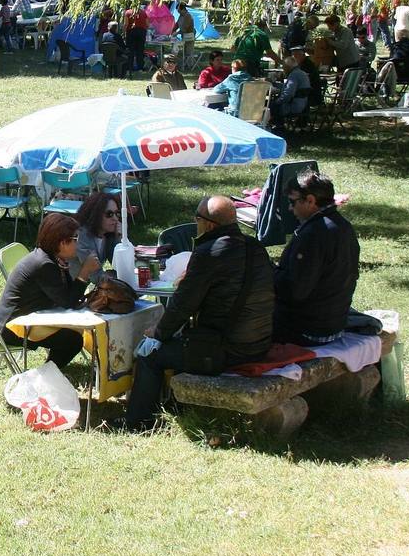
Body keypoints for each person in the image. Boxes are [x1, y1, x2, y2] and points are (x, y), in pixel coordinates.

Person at [124, 196, 274, 430]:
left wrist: (158, 332)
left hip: (227, 350)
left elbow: (182, 306)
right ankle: (176, 407)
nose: (196, 223)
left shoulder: (208, 252)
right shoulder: (256, 247)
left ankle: (138, 423)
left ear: (209, 225)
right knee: (184, 341)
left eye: (197, 218)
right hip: (259, 342)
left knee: (150, 354)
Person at [0, 213, 97, 368]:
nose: (78, 244)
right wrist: (84, 272)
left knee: (72, 331)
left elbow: (68, 295)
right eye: (75, 239)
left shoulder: (52, 258)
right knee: (72, 340)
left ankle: (50, 370)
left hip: (22, 319)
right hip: (12, 329)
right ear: (62, 243)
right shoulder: (44, 265)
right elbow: (68, 302)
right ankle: (46, 374)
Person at [275, 171, 360, 346]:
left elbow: (294, 291)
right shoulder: (343, 225)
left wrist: (270, 273)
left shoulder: (313, 235)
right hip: (334, 324)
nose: (290, 208)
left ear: (310, 200)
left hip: (309, 331)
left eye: (292, 202)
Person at [71, 192, 121, 282]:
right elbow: (96, 277)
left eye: (117, 213)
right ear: (95, 214)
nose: (115, 218)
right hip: (66, 286)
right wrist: (113, 276)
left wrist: (119, 238)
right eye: (109, 214)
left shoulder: (107, 235)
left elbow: (119, 265)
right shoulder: (81, 235)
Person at [271, 45, 312, 126]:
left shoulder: (294, 75)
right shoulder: (301, 73)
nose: (283, 70)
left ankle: (278, 127)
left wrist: (277, 101)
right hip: (303, 104)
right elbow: (288, 87)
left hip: (293, 106)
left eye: (284, 67)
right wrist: (274, 84)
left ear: (288, 67)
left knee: (270, 105)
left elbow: (288, 95)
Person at [124, 4, 149, 72]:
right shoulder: (143, 12)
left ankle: (130, 67)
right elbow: (147, 24)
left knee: (130, 50)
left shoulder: (128, 12)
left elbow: (126, 24)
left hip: (131, 32)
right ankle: (140, 67)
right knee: (140, 50)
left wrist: (124, 32)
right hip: (141, 32)